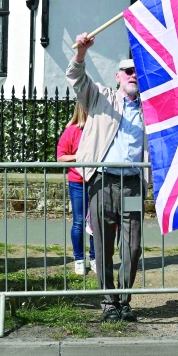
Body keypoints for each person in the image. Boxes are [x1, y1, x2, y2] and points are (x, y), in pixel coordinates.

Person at [68, 33, 147, 324]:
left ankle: (124, 301)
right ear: (118, 76)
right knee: (103, 245)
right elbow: (77, 79)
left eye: (137, 71)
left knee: (133, 245)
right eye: (128, 71)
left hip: (133, 183)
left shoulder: (149, 107)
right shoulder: (101, 97)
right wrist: (81, 53)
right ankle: (108, 301)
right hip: (102, 181)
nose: (133, 75)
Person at [56, 102, 96, 276]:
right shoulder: (71, 131)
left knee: (97, 221)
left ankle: (95, 258)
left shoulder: (101, 130)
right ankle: (79, 259)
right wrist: (80, 157)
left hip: (97, 181)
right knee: (79, 221)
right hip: (78, 182)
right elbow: (60, 158)